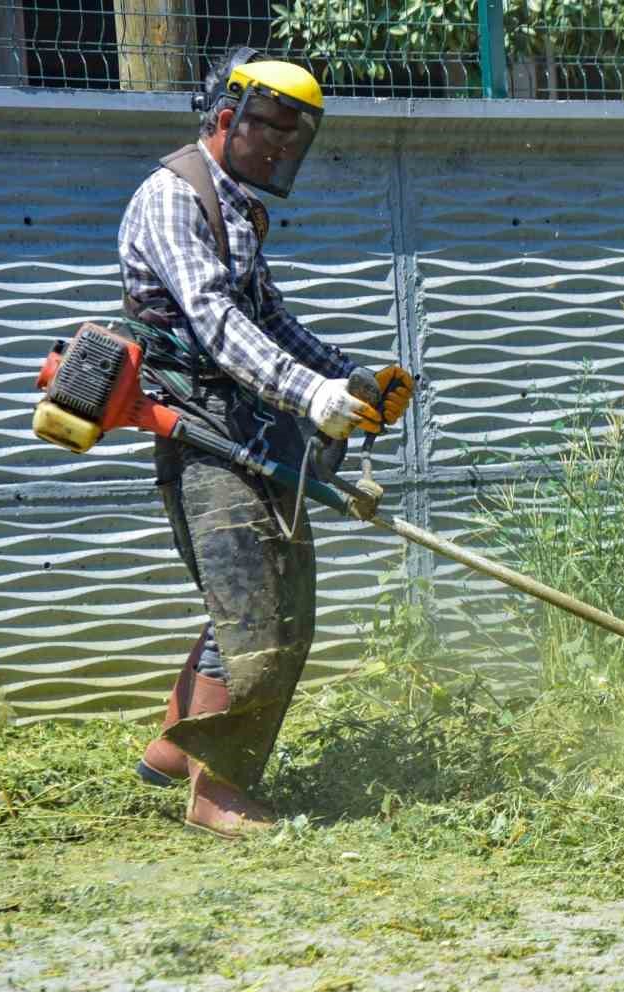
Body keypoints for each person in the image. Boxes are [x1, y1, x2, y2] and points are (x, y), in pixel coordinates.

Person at [117, 48, 415, 838]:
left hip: (244, 427)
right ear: (226, 119)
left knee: (262, 597)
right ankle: (219, 795)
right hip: (202, 432)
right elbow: (217, 325)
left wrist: (348, 377)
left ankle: (170, 754)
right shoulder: (173, 199)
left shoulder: (238, 206)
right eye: (272, 134)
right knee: (260, 614)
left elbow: (269, 319)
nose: (284, 152)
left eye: (296, 139)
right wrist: (311, 395)